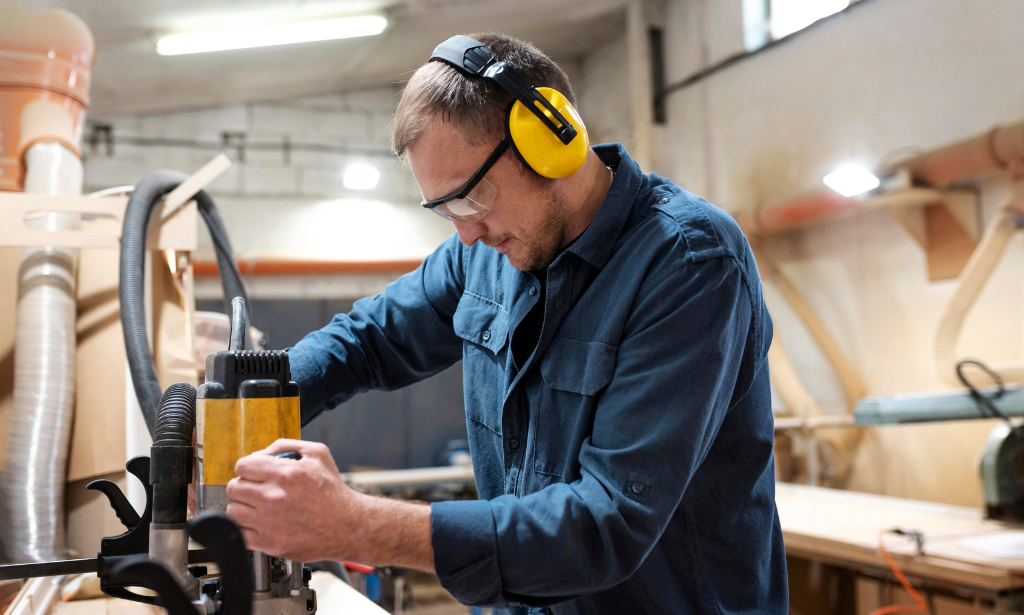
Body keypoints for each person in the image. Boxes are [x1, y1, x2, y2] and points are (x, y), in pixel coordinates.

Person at [224, 33, 788, 614]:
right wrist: (239, 401)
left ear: (550, 141)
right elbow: (371, 339)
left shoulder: (689, 264)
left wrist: (355, 523)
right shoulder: (486, 251)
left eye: (469, 199)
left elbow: (605, 525)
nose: (464, 232)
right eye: (444, 210)